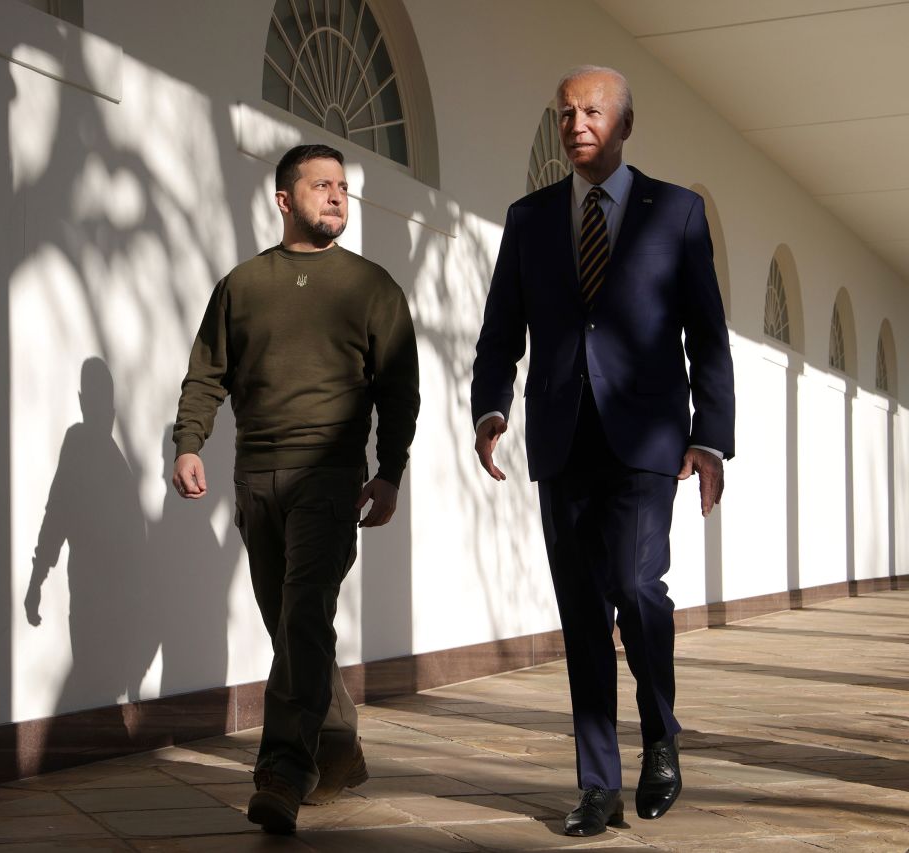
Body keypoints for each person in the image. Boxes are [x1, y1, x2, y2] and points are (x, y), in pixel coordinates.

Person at [471, 66, 735, 837]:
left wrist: (710, 436)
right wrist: (490, 407)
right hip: (561, 436)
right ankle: (596, 783)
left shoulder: (678, 212)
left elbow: (708, 337)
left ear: (624, 124)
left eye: (591, 110)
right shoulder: (528, 219)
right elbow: (499, 329)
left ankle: (660, 736)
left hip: (650, 438)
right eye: (565, 113)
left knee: (637, 584)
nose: (575, 123)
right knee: (582, 612)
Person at [172, 143, 419, 834]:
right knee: (290, 624)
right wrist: (188, 442)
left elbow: (400, 390)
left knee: (304, 612)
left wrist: (390, 470)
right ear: (285, 200)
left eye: (343, 186)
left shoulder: (372, 287)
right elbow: (207, 373)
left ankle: (282, 770)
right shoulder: (242, 285)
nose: (337, 196)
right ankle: (336, 744)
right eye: (322, 186)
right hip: (255, 477)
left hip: (331, 477)